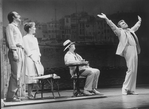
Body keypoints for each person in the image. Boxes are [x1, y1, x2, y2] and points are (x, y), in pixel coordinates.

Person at [97, 13, 142, 95]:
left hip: (134, 49)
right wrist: (106, 18)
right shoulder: (119, 32)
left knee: (134, 70)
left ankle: (131, 89)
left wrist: (139, 21)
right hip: (128, 49)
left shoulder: (130, 30)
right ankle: (125, 88)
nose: (124, 23)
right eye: (122, 23)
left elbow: (136, 27)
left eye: (124, 22)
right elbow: (113, 26)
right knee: (131, 69)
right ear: (120, 26)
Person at [5, 11, 24, 102]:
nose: (19, 16)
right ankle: (10, 96)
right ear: (13, 17)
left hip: (19, 50)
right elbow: (10, 40)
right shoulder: (10, 27)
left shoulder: (16, 27)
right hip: (15, 50)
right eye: (17, 15)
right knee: (15, 74)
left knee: (18, 74)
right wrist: (14, 51)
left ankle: (14, 95)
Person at [23, 22, 44, 99]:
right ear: (29, 29)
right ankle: (29, 94)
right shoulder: (25, 38)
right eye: (33, 27)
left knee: (36, 75)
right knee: (30, 76)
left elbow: (37, 49)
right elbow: (27, 49)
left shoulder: (34, 38)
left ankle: (33, 93)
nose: (35, 28)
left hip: (36, 58)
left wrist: (38, 57)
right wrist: (33, 57)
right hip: (30, 58)